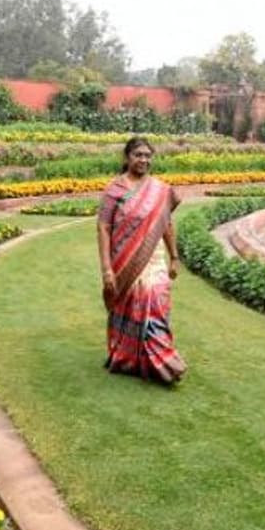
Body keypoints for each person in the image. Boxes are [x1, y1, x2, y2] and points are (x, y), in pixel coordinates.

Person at [96, 137, 187, 383]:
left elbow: (166, 223)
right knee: (130, 302)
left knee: (155, 297)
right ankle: (128, 359)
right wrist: (106, 270)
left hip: (154, 257)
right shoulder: (115, 190)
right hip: (124, 260)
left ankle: (163, 360)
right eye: (138, 155)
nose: (144, 160)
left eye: (148, 155)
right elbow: (103, 227)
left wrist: (174, 257)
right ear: (127, 158)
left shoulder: (159, 190)